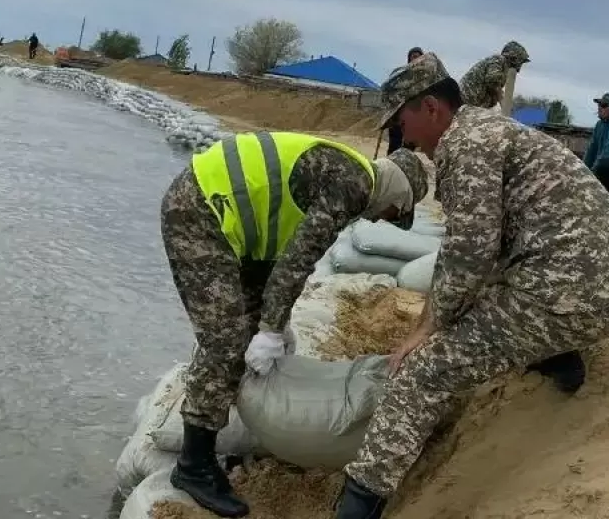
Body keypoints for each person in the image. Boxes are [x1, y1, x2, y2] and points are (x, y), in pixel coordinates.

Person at [332, 53, 609, 519]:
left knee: (422, 374)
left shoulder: (466, 148)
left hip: (575, 292)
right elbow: (474, 249)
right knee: (482, 301)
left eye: (402, 120)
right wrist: (437, 314)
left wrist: (425, 332)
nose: (404, 134)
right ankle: (560, 361)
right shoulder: (483, 127)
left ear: (430, 109)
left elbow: (469, 254)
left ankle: (358, 504)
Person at [160, 132, 429, 517]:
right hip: (200, 213)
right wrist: (270, 331)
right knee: (226, 342)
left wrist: (274, 322)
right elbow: (299, 260)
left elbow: (285, 252)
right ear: (397, 197)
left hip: (242, 230)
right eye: (391, 215)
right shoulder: (355, 183)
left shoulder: (347, 172)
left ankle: (230, 433)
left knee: (250, 326)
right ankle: (193, 464)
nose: (376, 219)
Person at [458, 40, 530, 109]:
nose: (520, 66)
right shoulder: (499, 60)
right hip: (465, 102)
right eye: (520, 61)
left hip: (471, 103)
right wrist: (503, 102)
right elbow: (492, 80)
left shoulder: (503, 66)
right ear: (514, 58)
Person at [387, 47, 425, 153]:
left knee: (410, 144)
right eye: (413, 56)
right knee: (394, 143)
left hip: (414, 114)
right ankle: (390, 164)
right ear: (409, 59)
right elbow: (391, 89)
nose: (416, 59)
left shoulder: (424, 76)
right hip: (398, 112)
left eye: (419, 56)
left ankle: (405, 166)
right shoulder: (402, 73)